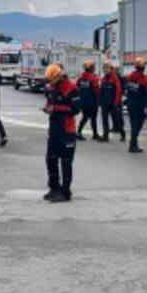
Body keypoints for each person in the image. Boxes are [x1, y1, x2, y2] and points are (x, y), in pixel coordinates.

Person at [42, 63, 79, 201]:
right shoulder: (51, 88)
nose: (50, 83)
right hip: (54, 129)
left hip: (67, 130)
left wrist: (56, 108)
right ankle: (54, 187)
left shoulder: (71, 88)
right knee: (50, 159)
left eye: (52, 80)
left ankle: (65, 191)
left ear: (58, 77)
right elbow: (50, 102)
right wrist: (48, 108)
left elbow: (75, 110)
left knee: (66, 161)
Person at [124, 57, 147, 153]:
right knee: (137, 126)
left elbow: (127, 89)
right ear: (143, 67)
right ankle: (132, 145)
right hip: (139, 105)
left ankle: (134, 144)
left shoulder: (130, 77)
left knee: (134, 125)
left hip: (131, 103)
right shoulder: (143, 79)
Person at [98, 61, 125, 142]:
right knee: (105, 120)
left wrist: (116, 102)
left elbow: (118, 90)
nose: (105, 70)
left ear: (110, 69)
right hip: (105, 103)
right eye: (104, 68)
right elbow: (101, 91)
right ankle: (105, 136)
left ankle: (122, 134)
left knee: (117, 120)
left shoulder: (115, 78)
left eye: (106, 68)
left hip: (113, 103)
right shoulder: (103, 78)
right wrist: (100, 102)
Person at [75, 60, 102, 140]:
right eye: (93, 67)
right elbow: (96, 90)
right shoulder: (93, 78)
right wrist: (99, 99)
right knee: (92, 118)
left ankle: (82, 132)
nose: (94, 68)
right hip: (92, 101)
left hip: (83, 101)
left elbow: (77, 88)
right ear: (91, 68)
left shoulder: (81, 77)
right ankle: (93, 134)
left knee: (85, 117)